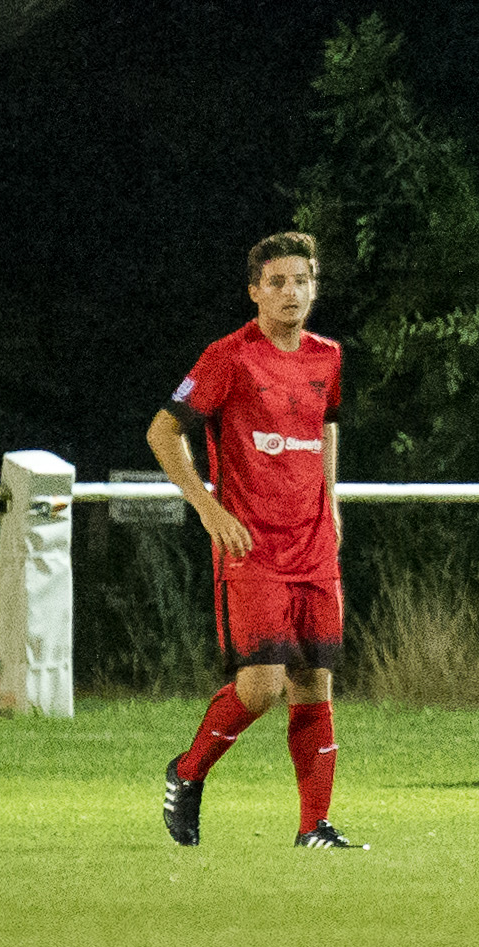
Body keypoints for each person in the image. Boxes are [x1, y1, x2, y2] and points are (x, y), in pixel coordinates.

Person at [148, 231, 362, 849]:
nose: (290, 292)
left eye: (301, 280)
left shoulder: (328, 356)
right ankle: (187, 773)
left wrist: (333, 502)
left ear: (315, 287)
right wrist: (209, 509)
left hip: (314, 544)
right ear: (255, 292)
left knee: (313, 682)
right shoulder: (228, 357)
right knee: (262, 685)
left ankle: (313, 826)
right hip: (252, 546)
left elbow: (325, 429)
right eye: (277, 282)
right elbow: (163, 434)